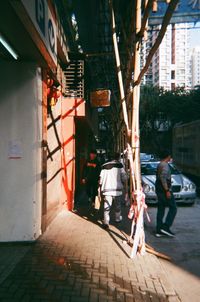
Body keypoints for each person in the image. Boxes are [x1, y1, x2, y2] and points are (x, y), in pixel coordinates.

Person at [99, 152, 128, 229]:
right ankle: (117, 218)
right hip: (117, 190)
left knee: (106, 205)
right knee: (117, 205)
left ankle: (106, 221)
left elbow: (100, 179)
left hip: (107, 189)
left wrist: (100, 186)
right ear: (118, 158)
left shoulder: (104, 166)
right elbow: (124, 178)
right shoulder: (120, 166)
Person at [155, 150, 177, 237]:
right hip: (164, 190)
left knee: (161, 208)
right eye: (170, 157)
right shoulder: (165, 165)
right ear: (168, 156)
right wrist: (167, 190)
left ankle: (159, 229)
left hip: (159, 189)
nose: (171, 158)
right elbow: (163, 178)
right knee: (173, 208)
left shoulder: (160, 164)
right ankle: (166, 227)